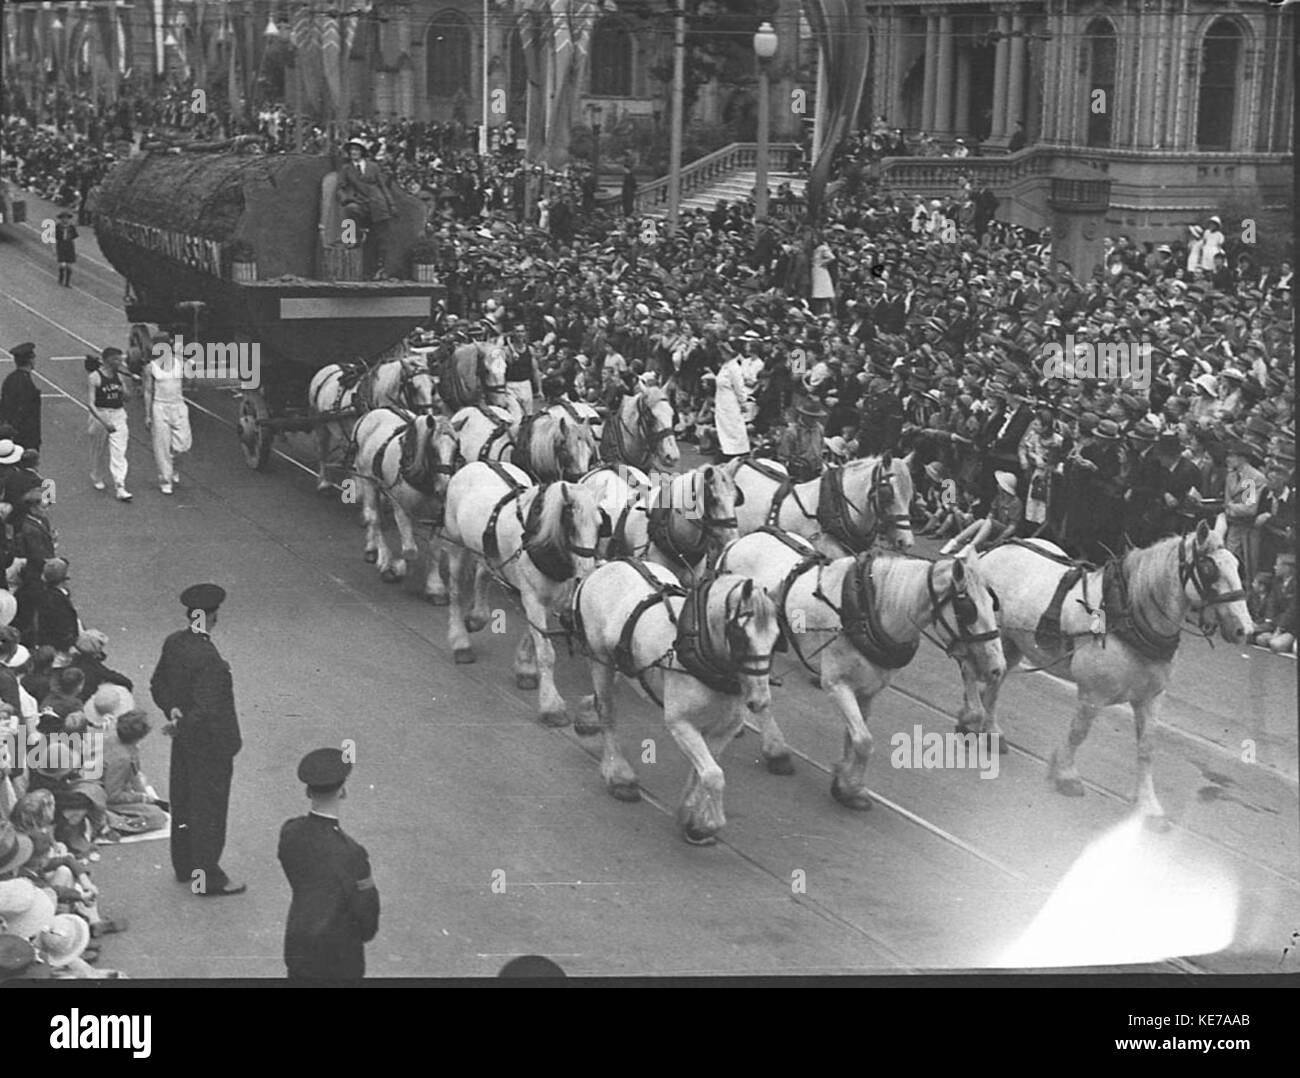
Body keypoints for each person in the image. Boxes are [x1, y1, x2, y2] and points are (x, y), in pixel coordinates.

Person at [149, 583, 245, 897]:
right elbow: (207, 709)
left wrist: (172, 711)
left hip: (185, 743)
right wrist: (183, 723)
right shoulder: (209, 658)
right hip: (210, 744)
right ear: (212, 616)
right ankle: (207, 878)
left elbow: (157, 683)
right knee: (210, 811)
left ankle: (185, 866)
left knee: (184, 802)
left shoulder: (174, 642)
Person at [278, 747, 380, 980]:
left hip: (299, 946)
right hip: (339, 957)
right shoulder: (352, 854)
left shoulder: (290, 831)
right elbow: (367, 918)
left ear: (307, 792)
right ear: (343, 791)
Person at [143, 338, 193, 495]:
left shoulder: (181, 364)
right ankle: (165, 479)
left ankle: (173, 466)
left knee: (183, 445)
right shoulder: (151, 368)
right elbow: (148, 391)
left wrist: (190, 369)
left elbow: (189, 383)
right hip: (160, 407)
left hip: (178, 405)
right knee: (162, 445)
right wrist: (148, 414)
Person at [86, 347, 131, 501]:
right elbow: (91, 404)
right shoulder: (95, 377)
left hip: (118, 414)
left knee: (119, 452)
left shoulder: (119, 376)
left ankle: (120, 485)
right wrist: (104, 422)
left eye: (120, 359)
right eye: (116, 360)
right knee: (98, 451)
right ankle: (97, 476)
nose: (119, 362)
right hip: (101, 415)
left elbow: (127, 398)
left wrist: (123, 386)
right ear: (107, 360)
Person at [0, 343, 41, 453]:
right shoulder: (25, 383)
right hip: (24, 439)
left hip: (11, 437)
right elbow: (25, 413)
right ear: (30, 360)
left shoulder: (10, 379)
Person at [713, 348, 751, 462]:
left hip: (731, 402)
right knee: (724, 427)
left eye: (724, 352)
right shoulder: (725, 366)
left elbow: (739, 388)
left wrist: (743, 402)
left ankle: (737, 453)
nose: (722, 354)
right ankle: (725, 450)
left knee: (733, 427)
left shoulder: (734, 368)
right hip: (722, 401)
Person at [777, 399, 827, 481]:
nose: (814, 420)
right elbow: (783, 456)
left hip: (817, 471)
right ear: (803, 415)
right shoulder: (792, 431)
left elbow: (821, 448)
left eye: (816, 417)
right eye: (811, 417)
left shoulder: (819, 429)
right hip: (799, 473)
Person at [54, 210, 77, 287]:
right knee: (63, 265)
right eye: (63, 218)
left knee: (69, 266)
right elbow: (56, 236)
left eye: (66, 218)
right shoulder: (58, 226)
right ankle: (61, 278)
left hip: (69, 245)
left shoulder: (71, 227)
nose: (65, 220)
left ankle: (67, 282)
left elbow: (75, 236)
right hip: (61, 245)